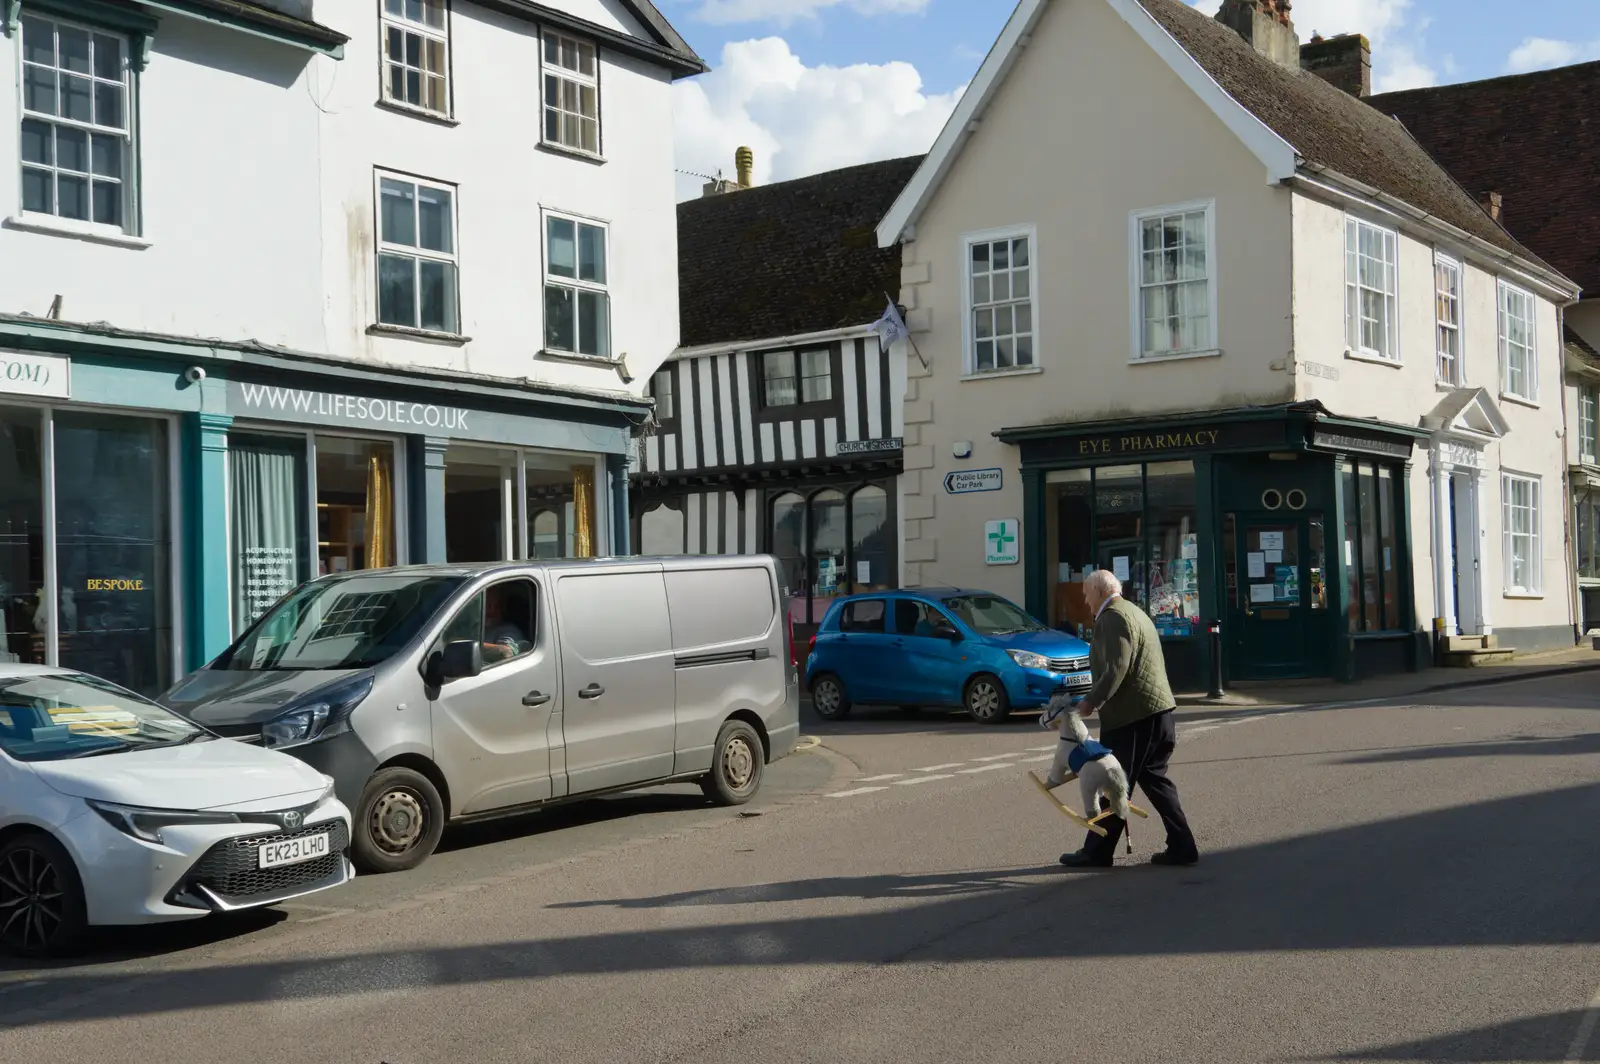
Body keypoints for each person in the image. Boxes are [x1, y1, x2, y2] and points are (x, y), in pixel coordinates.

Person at [1058, 569, 1199, 869]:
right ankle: (1183, 845)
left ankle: (1097, 852)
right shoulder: (1134, 611)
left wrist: (1091, 701)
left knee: (1113, 782)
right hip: (1158, 714)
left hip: (1133, 719)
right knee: (1155, 780)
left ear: (1098, 591)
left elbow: (1116, 668)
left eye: (1086, 594)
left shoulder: (1113, 617)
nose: (1085, 601)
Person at [481, 585, 530, 664]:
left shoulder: (508, 630)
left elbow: (506, 652)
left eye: (497, 605)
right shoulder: (468, 627)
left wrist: (469, 646)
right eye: (487, 604)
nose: (492, 610)